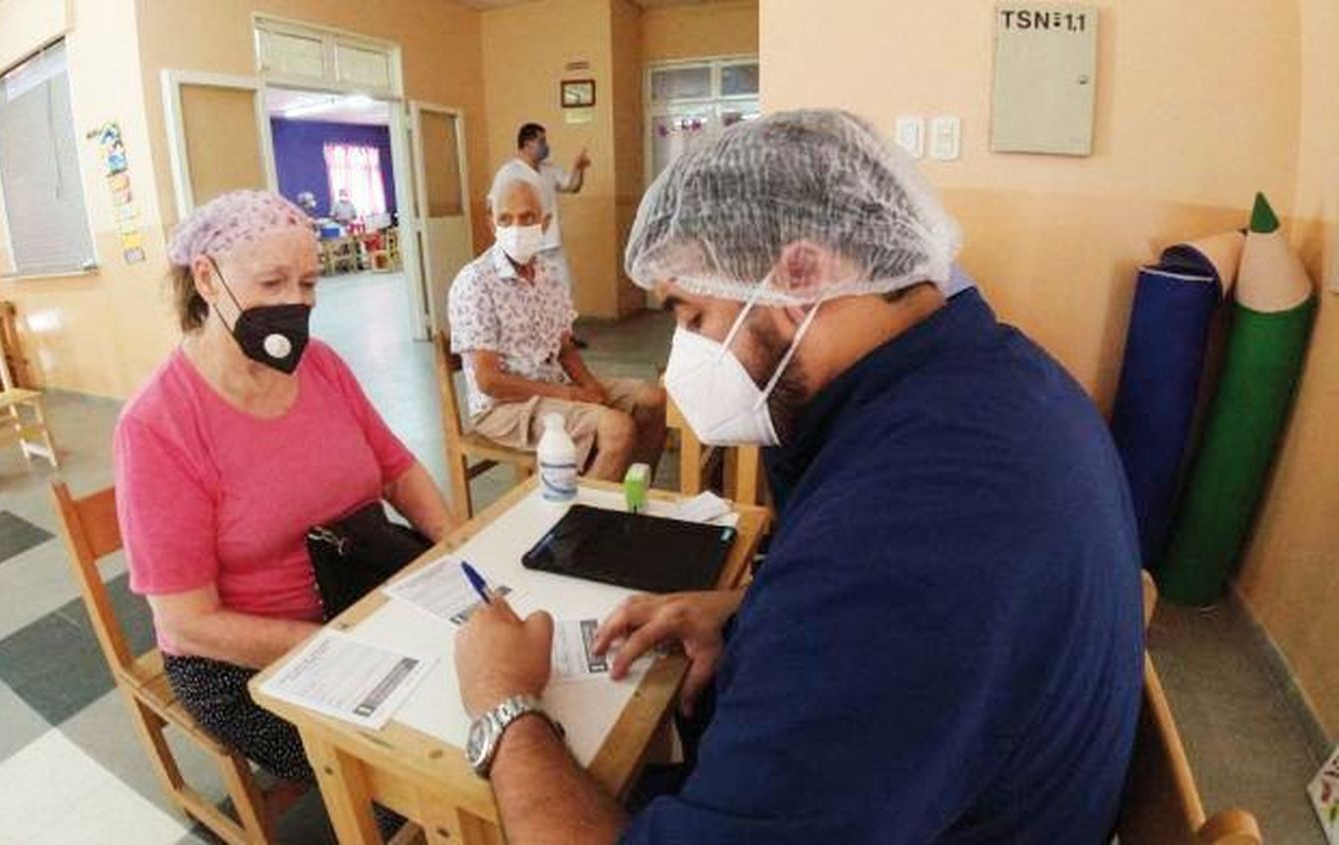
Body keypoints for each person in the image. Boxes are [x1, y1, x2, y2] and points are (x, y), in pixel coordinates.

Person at [451, 111, 1143, 842]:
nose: (683, 352)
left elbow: (886, 596)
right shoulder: (1000, 383)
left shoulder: (908, 533)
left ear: (802, 273)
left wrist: (504, 704)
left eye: (692, 314)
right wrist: (751, 614)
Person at [114, 190, 456, 803]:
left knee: (471, 691)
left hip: (359, 593)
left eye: (308, 284)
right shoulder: (158, 426)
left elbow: (398, 469)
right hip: (240, 664)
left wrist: (455, 547)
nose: (295, 305)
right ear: (207, 279)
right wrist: (336, 646)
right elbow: (186, 623)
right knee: (407, 777)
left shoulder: (320, 365)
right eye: (272, 282)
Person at [448, 172, 666, 481]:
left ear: (544, 222)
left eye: (527, 218)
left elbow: (565, 348)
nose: (516, 228)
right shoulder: (475, 282)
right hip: (504, 408)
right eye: (505, 219)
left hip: (555, 386)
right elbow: (489, 381)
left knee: (653, 401)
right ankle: (580, 523)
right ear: (491, 223)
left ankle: (630, 499)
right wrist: (571, 395)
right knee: (617, 430)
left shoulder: (548, 275)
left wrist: (589, 385)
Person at [493, 122, 591, 346]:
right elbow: (495, 205)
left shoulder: (549, 169)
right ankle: (534, 337)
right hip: (527, 245)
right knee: (528, 292)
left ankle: (565, 337)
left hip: (552, 242)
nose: (546, 146)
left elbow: (572, 186)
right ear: (527, 144)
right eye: (541, 141)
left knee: (563, 289)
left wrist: (579, 168)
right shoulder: (509, 172)